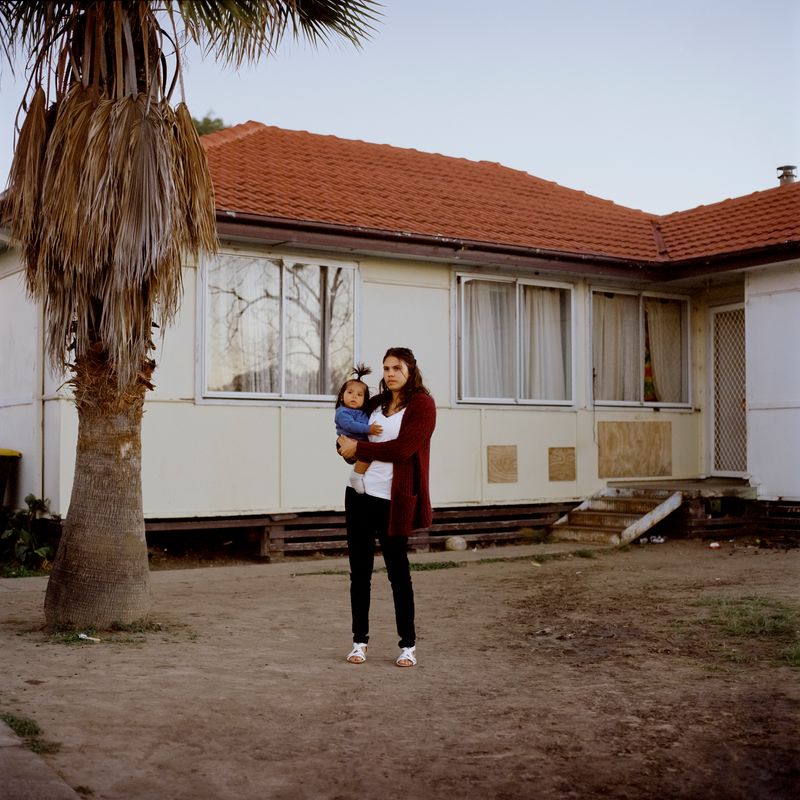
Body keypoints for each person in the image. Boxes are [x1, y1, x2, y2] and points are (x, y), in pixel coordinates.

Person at [337, 347, 436, 668]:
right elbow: (349, 425)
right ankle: (359, 641)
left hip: (393, 501)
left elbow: (404, 448)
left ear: (410, 370)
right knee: (359, 573)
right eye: (386, 368)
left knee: (398, 574)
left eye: (397, 367)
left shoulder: (423, 404)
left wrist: (359, 446)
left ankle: (407, 645)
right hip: (360, 498)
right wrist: (345, 448)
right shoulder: (377, 402)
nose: (390, 373)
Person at [334, 364, 383, 494]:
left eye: (359, 395)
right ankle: (356, 476)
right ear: (341, 396)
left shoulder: (363, 412)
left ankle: (359, 474)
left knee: (369, 453)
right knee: (367, 453)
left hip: (358, 442)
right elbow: (350, 425)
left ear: (365, 400)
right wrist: (369, 429)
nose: (354, 396)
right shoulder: (342, 412)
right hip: (345, 441)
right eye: (350, 393)